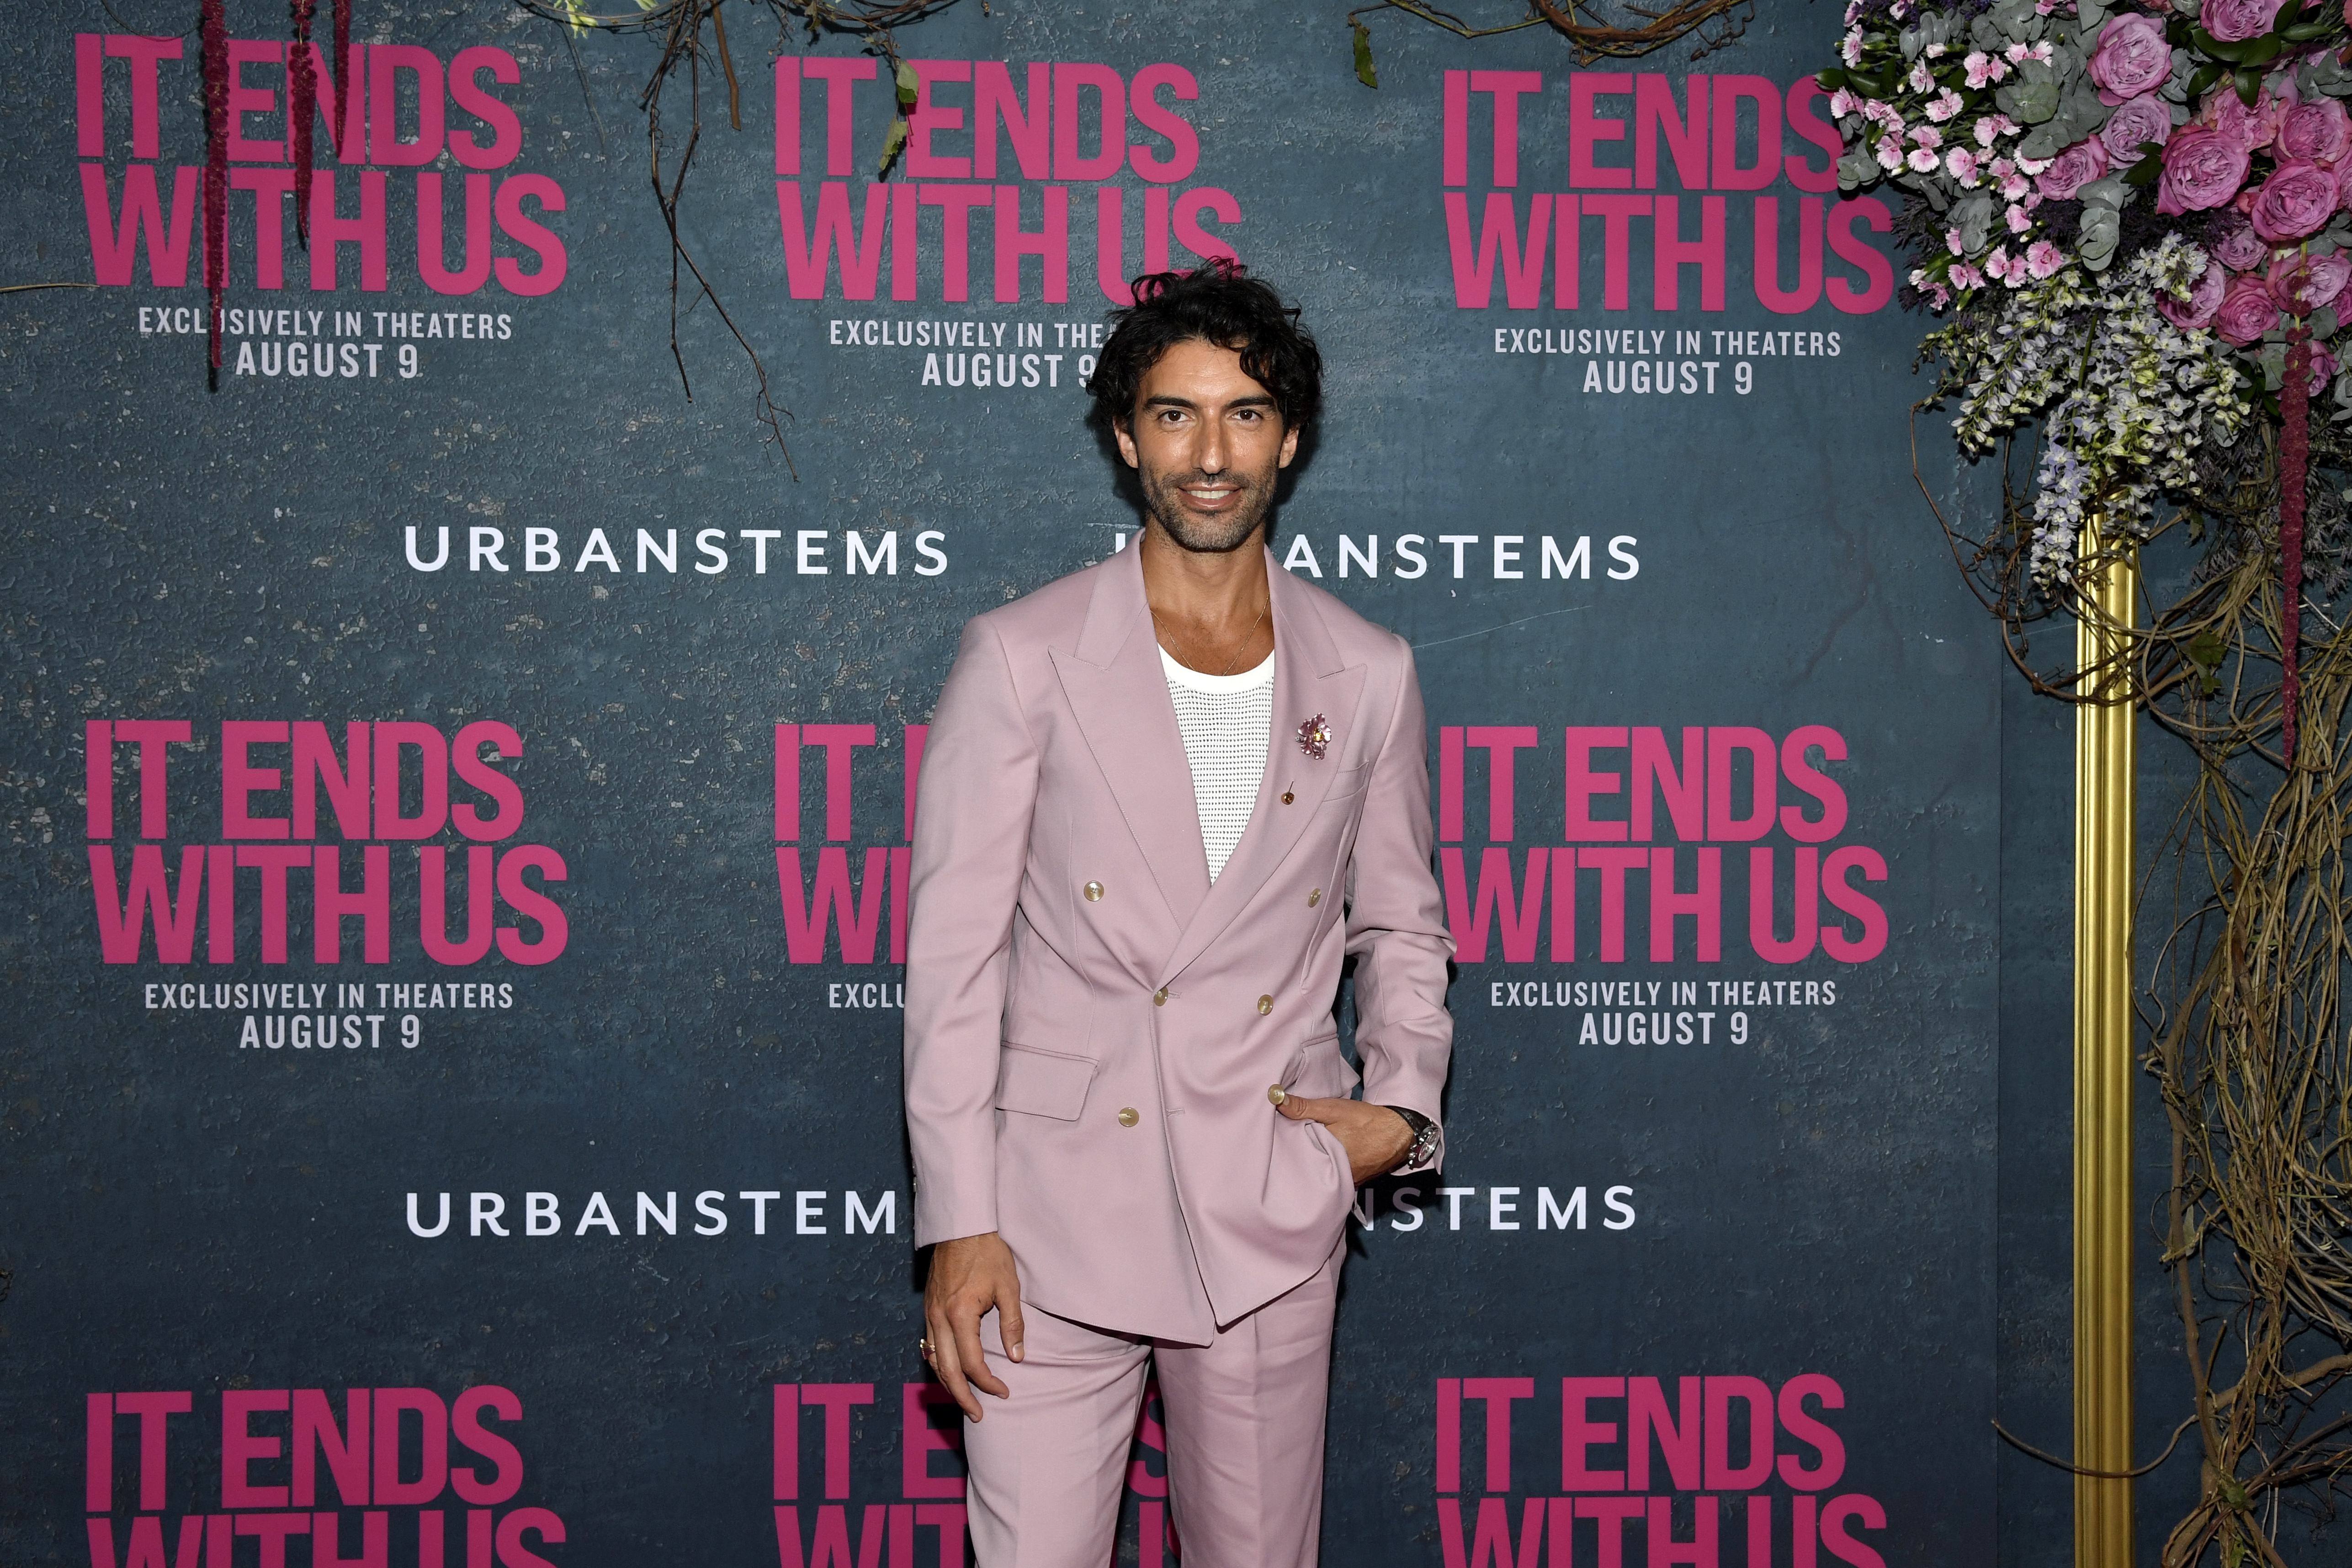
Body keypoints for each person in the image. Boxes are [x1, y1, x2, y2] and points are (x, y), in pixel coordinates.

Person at [902, 261, 1454, 1567]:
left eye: (1245, 414)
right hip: (1042, 1221)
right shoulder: (1022, 654)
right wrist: (957, 1222)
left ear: (1291, 438)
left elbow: (1402, 922)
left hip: (1265, 1199)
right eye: (1173, 415)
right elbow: (953, 961)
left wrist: (1403, 1105)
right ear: (1122, 436)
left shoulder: (1369, 671)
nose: (1210, 454)